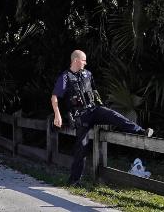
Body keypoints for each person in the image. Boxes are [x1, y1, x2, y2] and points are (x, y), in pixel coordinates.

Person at [51, 50, 153, 186]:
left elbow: (94, 91)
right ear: (76, 60)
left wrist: (101, 105)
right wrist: (57, 114)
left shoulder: (88, 74)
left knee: (114, 115)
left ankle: (141, 131)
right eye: (83, 60)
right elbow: (55, 97)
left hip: (94, 110)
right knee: (81, 148)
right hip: (81, 116)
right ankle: (74, 181)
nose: (85, 63)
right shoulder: (65, 77)